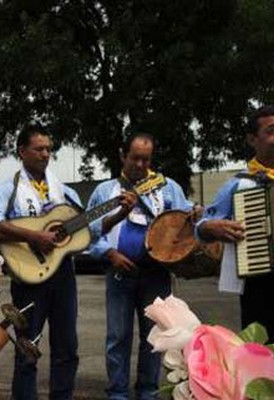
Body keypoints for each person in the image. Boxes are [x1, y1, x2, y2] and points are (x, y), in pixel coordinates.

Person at [87, 133, 192, 400]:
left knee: (156, 337)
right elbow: (89, 232)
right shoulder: (105, 191)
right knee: (117, 338)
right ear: (123, 156)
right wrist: (110, 253)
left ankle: (148, 391)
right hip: (119, 272)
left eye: (146, 159)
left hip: (156, 274)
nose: (141, 164)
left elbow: (184, 223)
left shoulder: (168, 188)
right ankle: (118, 393)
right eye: (135, 158)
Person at [0, 125, 80, 400]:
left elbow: (88, 232)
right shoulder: (7, 189)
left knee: (67, 348)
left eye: (49, 149)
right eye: (39, 148)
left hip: (63, 277)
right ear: (21, 151)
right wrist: (32, 236)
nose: (45, 154)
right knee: (27, 348)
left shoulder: (64, 192)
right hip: (28, 278)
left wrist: (118, 213)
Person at [197, 104, 274, 342]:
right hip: (260, 284)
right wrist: (210, 228)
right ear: (252, 139)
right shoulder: (238, 184)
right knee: (261, 354)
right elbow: (203, 224)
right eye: (272, 130)